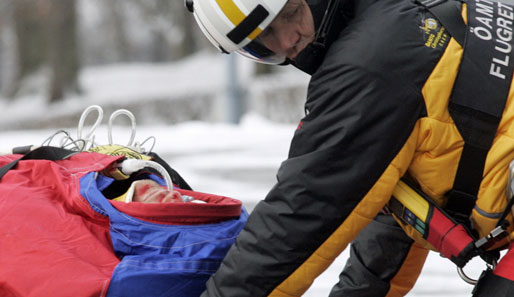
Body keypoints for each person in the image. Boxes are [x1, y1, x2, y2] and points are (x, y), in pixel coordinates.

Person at [186, 0, 514, 296]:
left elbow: (300, 214)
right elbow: (393, 205)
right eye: (261, 43)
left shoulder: (367, 63)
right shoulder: (392, 19)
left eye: (290, 14)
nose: (286, 41)